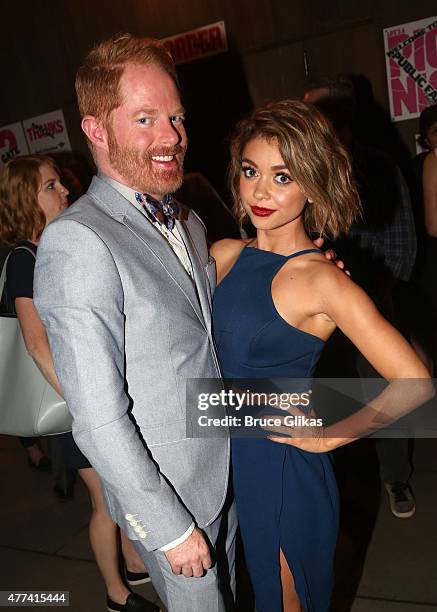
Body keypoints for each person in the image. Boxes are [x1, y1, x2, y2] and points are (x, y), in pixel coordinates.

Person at [33, 34, 235, 612]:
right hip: (172, 499)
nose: (171, 136)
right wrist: (169, 527)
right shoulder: (79, 240)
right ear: (95, 129)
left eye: (175, 116)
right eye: (145, 118)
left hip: (226, 471)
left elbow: (200, 342)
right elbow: (95, 417)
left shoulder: (188, 222)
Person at [211, 100, 431, 612]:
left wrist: (333, 433)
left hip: (283, 466)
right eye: (251, 171)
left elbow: (415, 380)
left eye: (282, 176)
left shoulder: (323, 281)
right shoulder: (223, 253)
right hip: (224, 459)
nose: (261, 191)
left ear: (313, 184)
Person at [0, 155, 155, 612]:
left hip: (82, 397)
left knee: (116, 491)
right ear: (27, 199)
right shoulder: (26, 260)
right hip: (74, 403)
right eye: (51, 186)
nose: (65, 191)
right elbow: (35, 343)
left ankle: (132, 560)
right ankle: (115, 592)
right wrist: (85, 403)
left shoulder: (45, 249)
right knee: (105, 499)